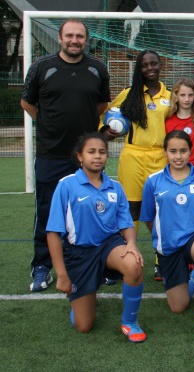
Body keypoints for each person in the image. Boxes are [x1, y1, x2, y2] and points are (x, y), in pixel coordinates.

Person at [21, 18, 111, 292]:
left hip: (85, 157)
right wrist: (47, 124)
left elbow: (102, 104)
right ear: (60, 38)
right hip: (51, 153)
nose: (75, 40)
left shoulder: (97, 68)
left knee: (92, 211)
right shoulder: (41, 67)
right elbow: (27, 102)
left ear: (86, 39)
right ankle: (41, 266)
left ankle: (98, 263)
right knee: (47, 211)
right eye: (69, 35)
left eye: (80, 36)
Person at [46, 133, 145, 342]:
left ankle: (129, 322)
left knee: (134, 263)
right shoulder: (66, 185)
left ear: (107, 156)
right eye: (91, 152)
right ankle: (80, 299)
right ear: (80, 157)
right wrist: (62, 274)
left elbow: (126, 223)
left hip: (109, 245)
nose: (97, 156)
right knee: (84, 326)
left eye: (102, 152)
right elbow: (54, 232)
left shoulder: (115, 187)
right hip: (79, 254)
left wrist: (132, 244)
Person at [140, 130, 194, 336]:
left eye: (183, 151)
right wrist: (164, 235)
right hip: (168, 246)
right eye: (173, 151)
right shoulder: (153, 181)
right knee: (178, 307)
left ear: (191, 151)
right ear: (165, 152)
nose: (178, 156)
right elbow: (149, 218)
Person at [102, 50, 171, 282]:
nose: (150, 68)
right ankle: (124, 258)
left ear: (161, 65)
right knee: (130, 208)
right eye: (144, 65)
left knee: (160, 209)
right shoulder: (128, 94)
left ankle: (162, 259)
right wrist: (107, 131)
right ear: (138, 69)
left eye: (154, 63)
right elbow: (108, 118)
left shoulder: (169, 96)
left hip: (161, 157)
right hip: (132, 156)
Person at [166, 78, 194, 172]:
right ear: (176, 96)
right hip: (178, 170)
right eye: (182, 95)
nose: (187, 99)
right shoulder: (169, 122)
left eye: (190, 95)